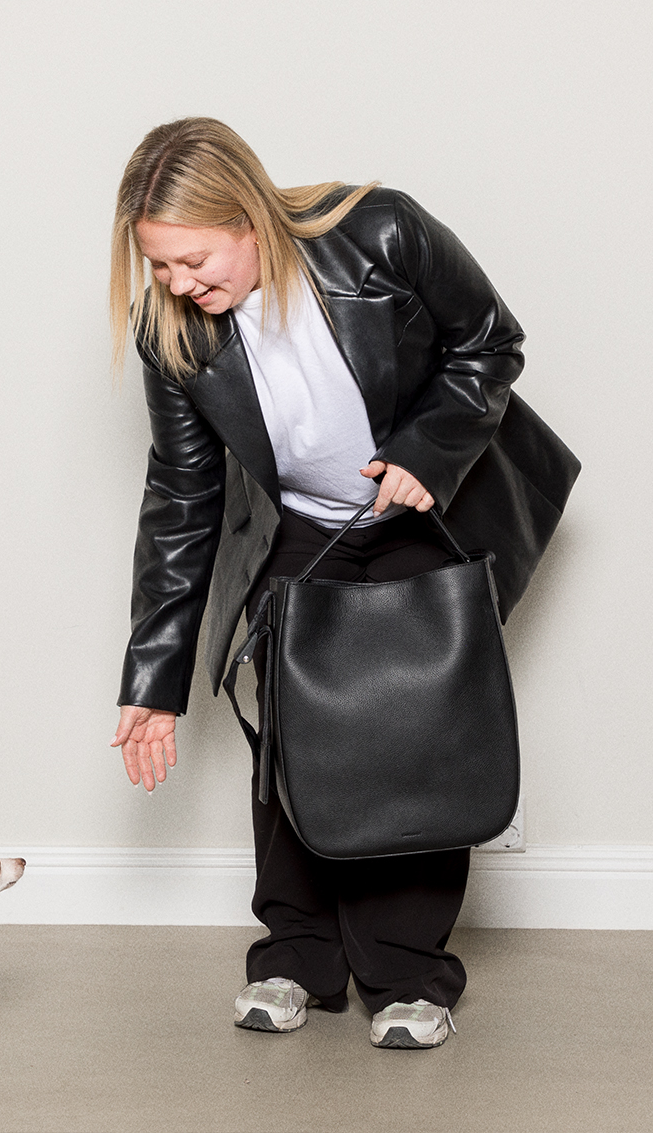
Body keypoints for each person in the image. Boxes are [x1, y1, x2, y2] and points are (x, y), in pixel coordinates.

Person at [108, 117, 579, 1049]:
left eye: (194, 259)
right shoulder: (171, 331)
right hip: (302, 532)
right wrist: (152, 687)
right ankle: (296, 956)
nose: (177, 284)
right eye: (158, 265)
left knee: (418, 740)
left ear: (249, 217)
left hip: (422, 512)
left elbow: (490, 342)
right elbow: (181, 501)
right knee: (289, 736)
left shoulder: (384, 233)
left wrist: (427, 452)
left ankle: (407, 975)